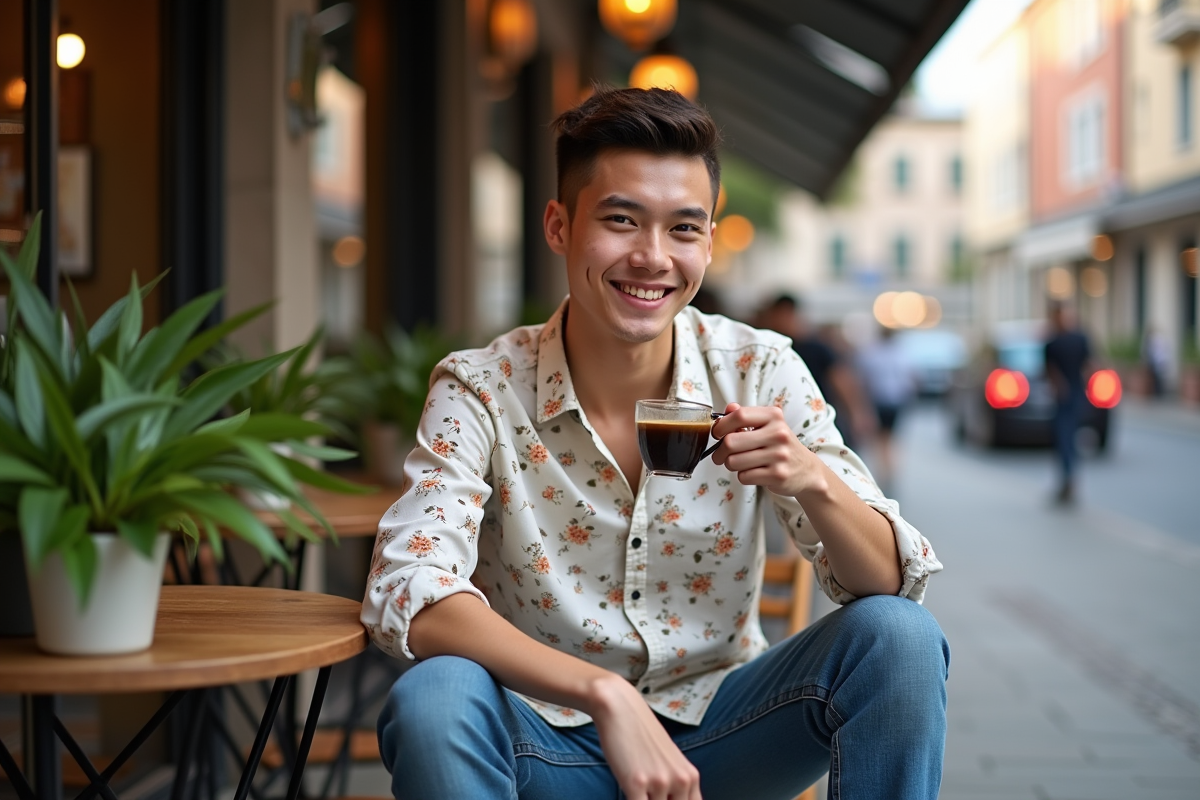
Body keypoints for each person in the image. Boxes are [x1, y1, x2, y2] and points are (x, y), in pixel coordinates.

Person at [362, 87, 947, 800]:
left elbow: (888, 583)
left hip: (725, 741)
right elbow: (412, 589)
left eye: (683, 229)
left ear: (707, 240)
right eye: (620, 220)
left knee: (900, 639)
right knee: (437, 694)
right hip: (540, 745)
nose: (652, 258)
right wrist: (606, 696)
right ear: (558, 225)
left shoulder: (757, 369)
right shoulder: (481, 388)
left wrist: (811, 481)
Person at [759, 292, 871, 450]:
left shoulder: (816, 347)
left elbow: (842, 381)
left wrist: (857, 413)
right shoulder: (769, 348)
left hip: (819, 418)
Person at [855, 327, 916, 493]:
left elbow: (863, 381)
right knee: (890, 440)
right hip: (895, 402)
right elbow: (910, 379)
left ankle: (884, 473)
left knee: (880, 441)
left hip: (878, 401)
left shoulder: (871, 354)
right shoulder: (902, 354)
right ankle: (890, 472)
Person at [1044, 302, 1092, 504]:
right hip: (1075, 394)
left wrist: (1059, 386)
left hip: (1065, 396)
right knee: (1069, 437)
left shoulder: (1053, 342)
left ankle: (1068, 479)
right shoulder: (1078, 339)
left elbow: (1050, 371)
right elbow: (1090, 365)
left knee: (1065, 438)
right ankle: (1069, 479)